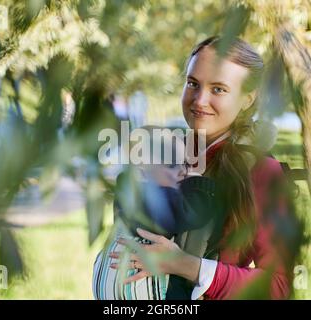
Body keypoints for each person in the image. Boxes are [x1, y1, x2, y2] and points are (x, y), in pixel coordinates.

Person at [110, 37, 296, 300]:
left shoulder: (262, 171)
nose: (199, 100)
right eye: (192, 84)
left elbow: (280, 285)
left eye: (218, 89)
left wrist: (186, 266)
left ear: (247, 99)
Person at [92, 127, 222, 300]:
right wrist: (202, 185)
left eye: (185, 164)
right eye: (173, 165)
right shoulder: (149, 198)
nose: (184, 171)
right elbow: (192, 212)